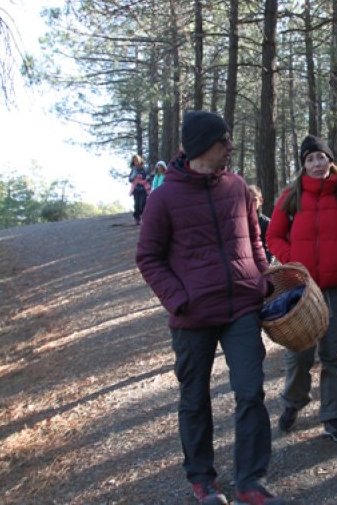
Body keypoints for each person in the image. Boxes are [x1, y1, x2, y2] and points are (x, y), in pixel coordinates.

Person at [135, 110, 284, 505]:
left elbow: (254, 239)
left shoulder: (237, 187)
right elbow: (148, 257)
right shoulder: (163, 197)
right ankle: (203, 481)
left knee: (251, 393)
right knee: (195, 398)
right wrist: (178, 299)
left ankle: (251, 482)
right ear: (203, 146)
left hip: (241, 310)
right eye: (224, 142)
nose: (230, 148)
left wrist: (262, 277)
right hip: (193, 316)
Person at [265, 135, 337, 444]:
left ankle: (333, 417)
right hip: (301, 288)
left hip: (336, 287)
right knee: (300, 353)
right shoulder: (290, 196)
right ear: (303, 165)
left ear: (330, 159)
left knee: (334, 353)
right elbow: (273, 236)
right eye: (310, 159)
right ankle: (293, 403)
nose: (317, 163)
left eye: (321, 157)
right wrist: (294, 261)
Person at [247, 184, 274, 264]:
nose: (250, 203)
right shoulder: (240, 222)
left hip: (261, 263)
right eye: (247, 199)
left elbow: (271, 248)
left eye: (254, 200)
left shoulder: (266, 223)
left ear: (260, 201)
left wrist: (267, 263)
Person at [128, 154, 152, 224]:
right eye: (135, 161)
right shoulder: (133, 170)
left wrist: (147, 178)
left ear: (140, 160)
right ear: (133, 162)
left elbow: (148, 176)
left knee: (143, 203)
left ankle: (144, 217)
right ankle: (136, 218)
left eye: (137, 160)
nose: (136, 162)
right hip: (136, 189)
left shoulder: (145, 168)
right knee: (137, 204)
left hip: (144, 189)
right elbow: (130, 179)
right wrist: (133, 175)